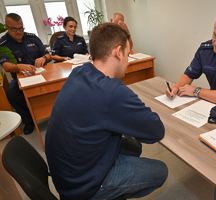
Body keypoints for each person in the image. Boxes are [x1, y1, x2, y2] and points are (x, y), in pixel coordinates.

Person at [45, 23, 168, 200]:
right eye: (127, 54)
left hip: (66, 172)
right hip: (82, 185)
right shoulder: (112, 91)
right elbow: (156, 131)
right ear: (118, 53)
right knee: (160, 171)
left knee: (134, 146)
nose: (127, 60)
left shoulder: (79, 72)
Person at [0, 13, 52, 135]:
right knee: (12, 93)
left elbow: (48, 54)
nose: (19, 31)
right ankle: (28, 120)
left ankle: (55, 112)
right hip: (21, 77)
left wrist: (44, 58)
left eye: (21, 28)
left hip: (42, 72)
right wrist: (19, 66)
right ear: (6, 27)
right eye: (14, 29)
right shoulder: (3, 44)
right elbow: (6, 66)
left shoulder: (32, 37)